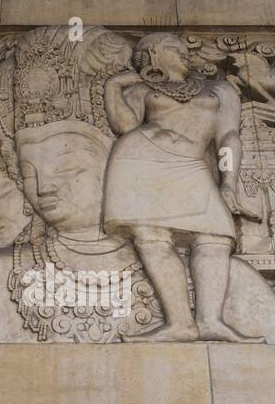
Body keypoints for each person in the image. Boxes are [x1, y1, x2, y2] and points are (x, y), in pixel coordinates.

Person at [102, 32, 265, 342]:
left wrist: (229, 184)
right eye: (173, 47)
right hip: (141, 161)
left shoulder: (220, 90)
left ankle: (210, 321)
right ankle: (179, 323)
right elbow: (124, 128)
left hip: (192, 164)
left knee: (216, 235)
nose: (184, 51)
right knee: (152, 237)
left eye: (183, 47)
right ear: (151, 54)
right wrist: (114, 87)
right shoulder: (142, 89)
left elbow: (229, 137)